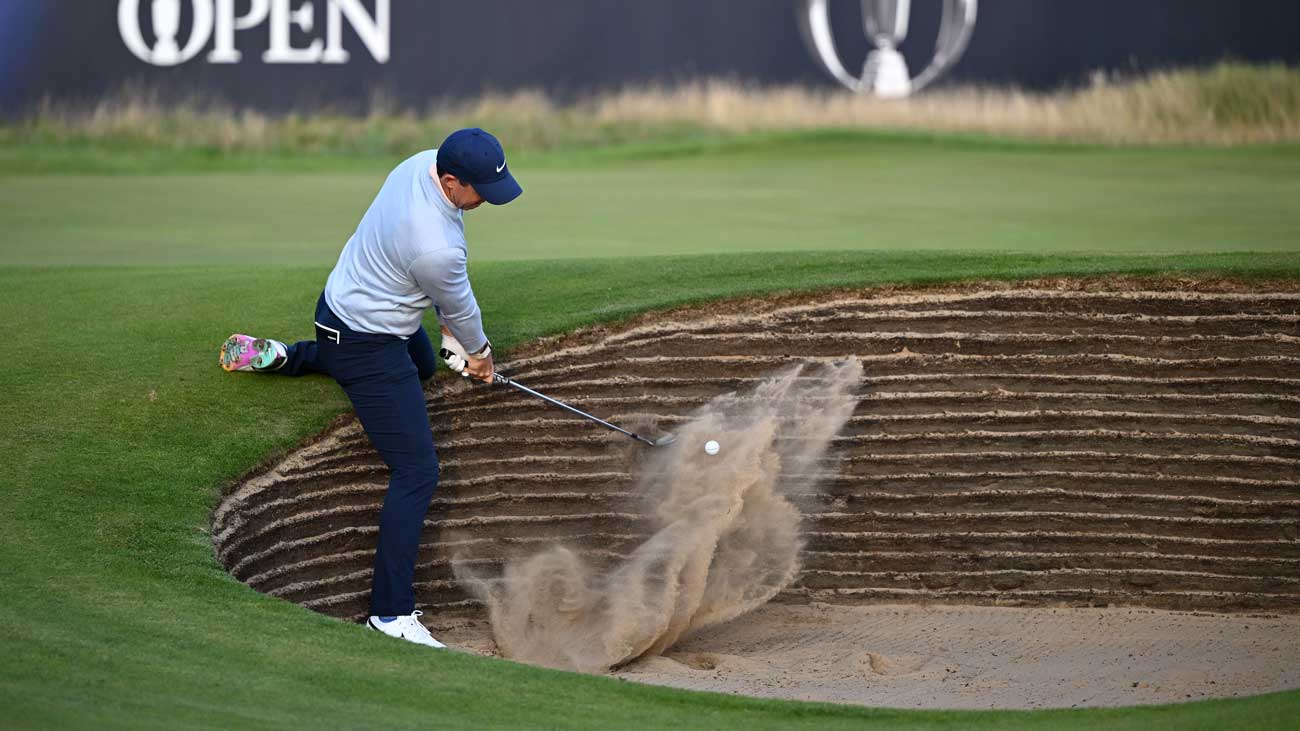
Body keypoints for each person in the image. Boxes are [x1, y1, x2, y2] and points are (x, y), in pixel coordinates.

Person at [217, 128, 521, 649]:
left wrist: (450, 336)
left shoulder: (420, 161)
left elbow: (444, 303)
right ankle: (390, 613)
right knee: (418, 471)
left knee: (423, 368)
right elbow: (459, 308)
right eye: (480, 192)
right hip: (366, 341)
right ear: (450, 181)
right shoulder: (437, 247)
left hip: (342, 306)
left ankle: (290, 356)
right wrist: (481, 356)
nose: (486, 202)